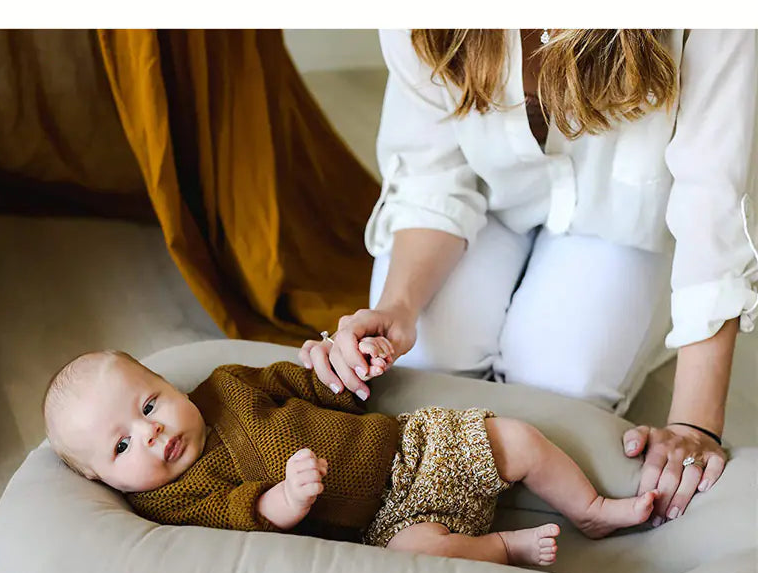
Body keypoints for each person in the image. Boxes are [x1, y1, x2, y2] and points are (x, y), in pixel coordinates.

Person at [300, 29, 758, 528]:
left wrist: (694, 424)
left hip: (624, 221)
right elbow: (432, 177)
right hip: (488, 200)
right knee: (423, 370)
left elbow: (712, 207)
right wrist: (398, 307)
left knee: (557, 392)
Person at [42, 348, 660, 567]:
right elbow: (236, 516)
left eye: (150, 404)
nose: (150, 433)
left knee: (519, 439)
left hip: (411, 449)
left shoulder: (228, 386)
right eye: (122, 446)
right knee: (422, 555)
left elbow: (303, 382)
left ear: (169, 384)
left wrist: (348, 367)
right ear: (104, 478)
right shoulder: (170, 498)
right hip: (379, 527)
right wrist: (285, 499)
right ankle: (503, 548)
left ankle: (591, 508)